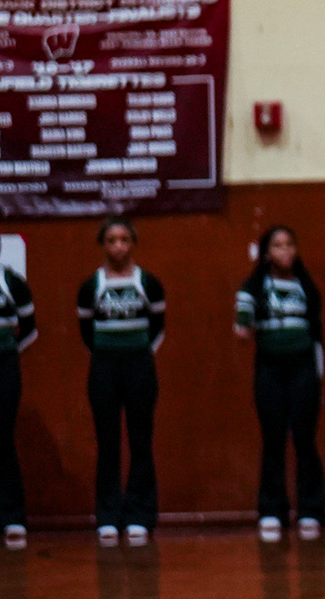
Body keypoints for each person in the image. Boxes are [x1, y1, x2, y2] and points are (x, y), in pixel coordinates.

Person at [233, 225, 325, 542]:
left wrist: (317, 375)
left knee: (305, 438)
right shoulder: (253, 287)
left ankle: (310, 510)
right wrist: (244, 326)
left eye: (289, 244)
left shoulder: (306, 287)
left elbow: (317, 336)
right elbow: (242, 324)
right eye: (277, 245)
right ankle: (272, 510)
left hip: (303, 368)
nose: (284, 251)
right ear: (266, 253)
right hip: (270, 369)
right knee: (273, 438)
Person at [77, 217, 164, 547]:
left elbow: (158, 326)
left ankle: (139, 515)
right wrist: (107, 356)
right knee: (107, 442)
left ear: (133, 243)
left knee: (141, 439)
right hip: (104, 368)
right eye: (112, 240)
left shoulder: (149, 283)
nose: (118, 246)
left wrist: (138, 354)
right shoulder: (91, 286)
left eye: (124, 239)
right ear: (103, 244)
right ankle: (108, 517)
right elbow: (86, 332)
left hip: (140, 365)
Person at [0, 257, 36, 548]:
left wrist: (7, 353)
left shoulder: (12, 282)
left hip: (5, 367)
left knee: (3, 437)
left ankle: (13, 517)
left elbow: (29, 329)